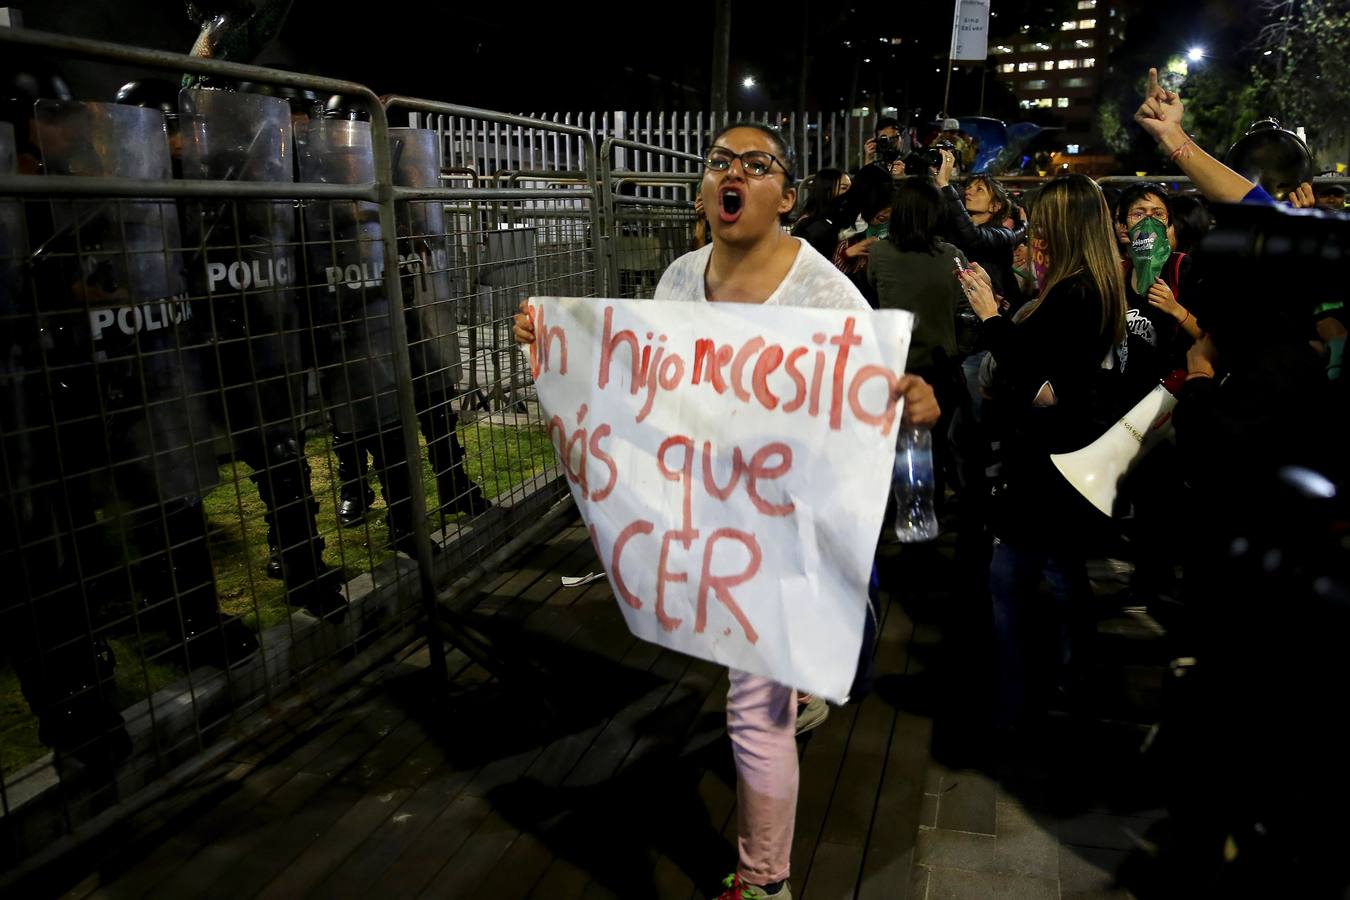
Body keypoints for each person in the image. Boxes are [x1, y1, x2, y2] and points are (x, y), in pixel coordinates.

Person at [516, 121, 939, 900]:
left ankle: (765, 882)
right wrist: (557, 349)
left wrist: (912, 400)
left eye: (755, 163)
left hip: (788, 532)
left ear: (786, 196)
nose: (731, 172)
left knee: (751, 708)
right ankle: (801, 693)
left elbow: (868, 396)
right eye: (719, 161)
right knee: (761, 689)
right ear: (705, 191)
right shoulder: (679, 281)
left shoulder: (825, 293)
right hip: (714, 522)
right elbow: (647, 390)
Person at [957, 174, 1128, 731]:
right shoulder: (1090, 286)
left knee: (1012, 582)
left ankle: (1018, 703)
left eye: (1042, 220)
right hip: (1064, 456)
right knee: (1060, 572)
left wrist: (990, 316)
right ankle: (1066, 684)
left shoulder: (1076, 292)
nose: (1034, 231)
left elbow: (1034, 377)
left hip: (1047, 462)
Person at [789, 166, 849, 234]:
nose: (850, 192)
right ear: (826, 190)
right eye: (844, 188)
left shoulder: (840, 217)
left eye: (851, 188)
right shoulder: (811, 225)